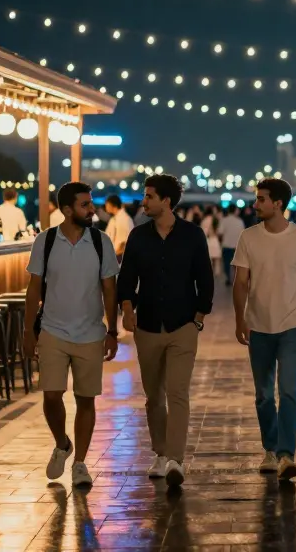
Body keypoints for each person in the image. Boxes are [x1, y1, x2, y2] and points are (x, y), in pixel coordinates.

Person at [117, 174, 212, 488]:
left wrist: (197, 317)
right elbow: (126, 279)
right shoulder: (139, 237)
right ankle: (160, 453)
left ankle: (175, 459)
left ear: (166, 201)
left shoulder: (192, 235)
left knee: (178, 393)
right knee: (153, 395)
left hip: (182, 324)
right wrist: (128, 311)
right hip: (147, 325)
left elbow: (205, 279)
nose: (144, 201)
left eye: (149, 196)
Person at [24, 181, 119, 488]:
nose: (92, 209)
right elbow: (34, 287)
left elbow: (109, 288)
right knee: (51, 396)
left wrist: (113, 330)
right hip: (52, 329)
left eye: (91, 204)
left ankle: (80, 463)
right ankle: (62, 443)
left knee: (86, 399)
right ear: (66, 210)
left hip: (91, 332)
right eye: (85, 205)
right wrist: (28, 331)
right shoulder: (46, 240)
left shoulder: (101, 241)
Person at [232, 178, 296, 481]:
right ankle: (269, 448)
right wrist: (239, 319)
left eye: (261, 199)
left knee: (288, 390)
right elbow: (240, 282)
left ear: (278, 204)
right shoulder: (248, 237)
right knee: (264, 394)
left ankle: (286, 454)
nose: (255, 204)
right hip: (259, 325)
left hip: (293, 325)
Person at [218, 205, 246, 287]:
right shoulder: (239, 221)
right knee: (236, 265)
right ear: (235, 211)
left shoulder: (224, 220)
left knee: (226, 263)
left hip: (226, 245)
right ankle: (235, 279)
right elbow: (243, 234)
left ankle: (228, 279)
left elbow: (220, 233)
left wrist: (221, 241)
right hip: (236, 246)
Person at [104, 194, 135, 258]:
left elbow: (125, 243)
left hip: (119, 258)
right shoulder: (113, 219)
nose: (105, 206)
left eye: (106, 204)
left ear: (111, 204)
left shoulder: (125, 219)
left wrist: (114, 257)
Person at [202, 205, 223, 277]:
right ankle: (217, 272)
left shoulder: (205, 220)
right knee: (217, 258)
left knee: (209, 258)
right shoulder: (215, 219)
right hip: (215, 240)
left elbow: (204, 231)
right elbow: (219, 231)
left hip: (208, 240)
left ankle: (209, 272)